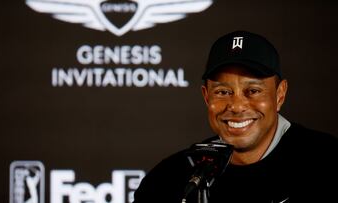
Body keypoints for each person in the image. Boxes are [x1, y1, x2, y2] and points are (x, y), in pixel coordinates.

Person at [132, 30, 338, 203]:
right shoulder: (170, 179)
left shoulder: (326, 163)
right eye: (223, 92)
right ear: (206, 96)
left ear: (280, 94)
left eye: (253, 90)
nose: (237, 106)